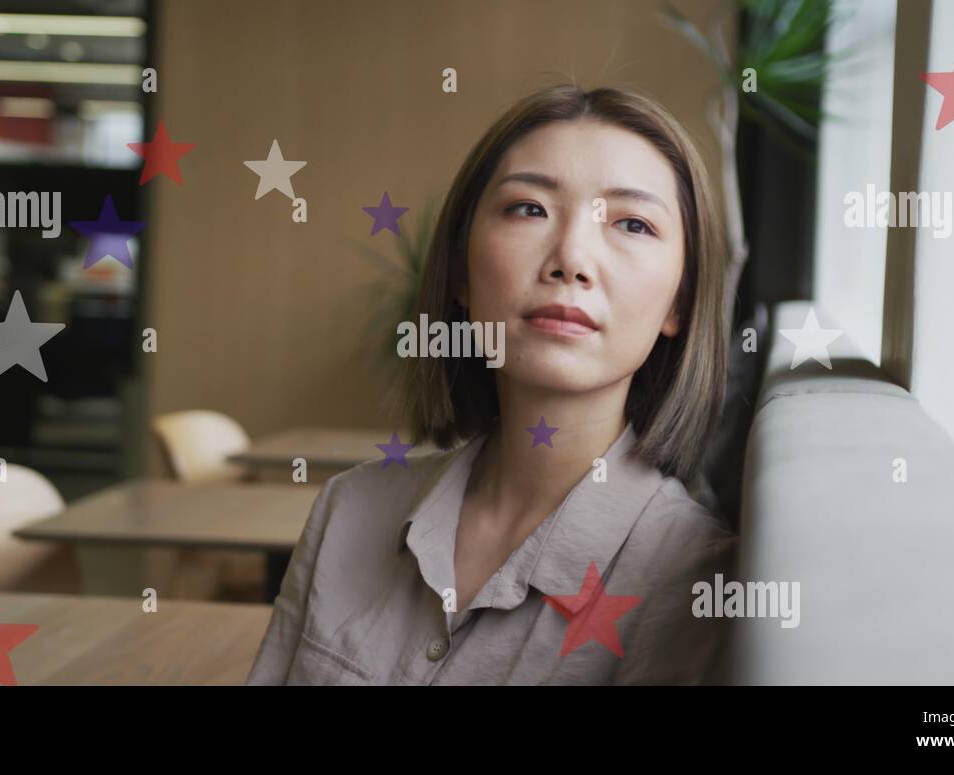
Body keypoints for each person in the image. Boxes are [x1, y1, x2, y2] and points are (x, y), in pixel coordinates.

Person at [248, 84, 736, 685]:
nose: (571, 259)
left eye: (633, 224)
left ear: (679, 304)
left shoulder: (698, 582)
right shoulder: (348, 510)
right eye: (529, 208)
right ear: (460, 272)